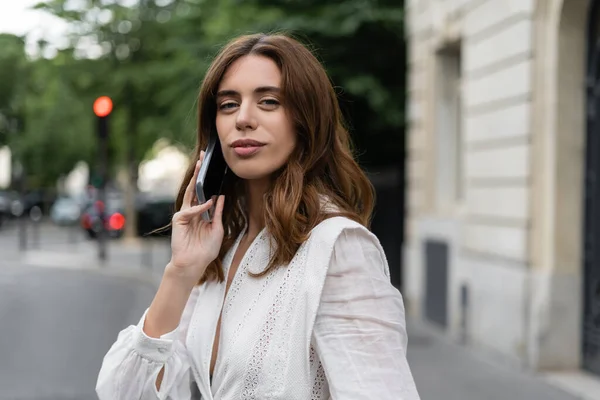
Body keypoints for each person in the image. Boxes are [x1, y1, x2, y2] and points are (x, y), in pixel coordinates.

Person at [96, 32, 420, 400]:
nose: (244, 119)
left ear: (306, 121)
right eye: (228, 105)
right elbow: (124, 393)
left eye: (268, 101)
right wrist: (182, 271)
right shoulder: (223, 249)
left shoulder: (338, 250)